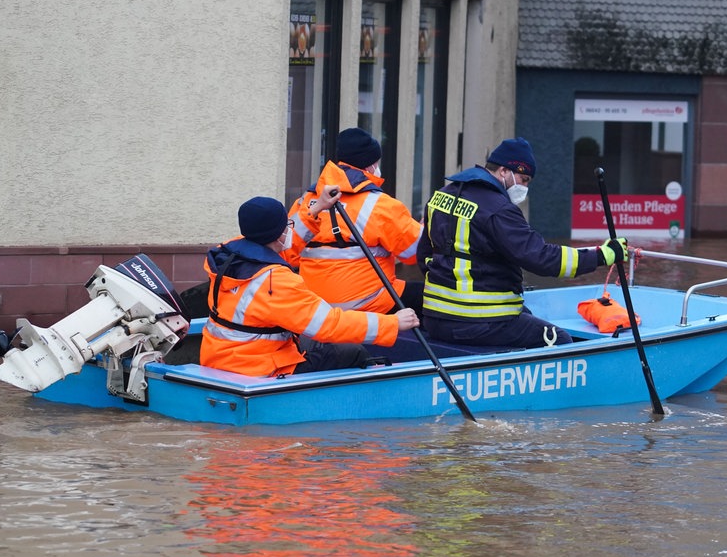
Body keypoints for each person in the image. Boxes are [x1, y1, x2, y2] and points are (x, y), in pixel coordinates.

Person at [417, 137, 627, 349]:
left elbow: (425, 255)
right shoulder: (499, 209)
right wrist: (603, 255)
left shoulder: (440, 197)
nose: (525, 187)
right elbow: (542, 258)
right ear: (503, 171)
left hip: (436, 319)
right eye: (524, 179)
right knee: (559, 340)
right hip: (480, 321)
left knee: (525, 315)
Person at [200, 195, 419, 377]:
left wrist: (315, 210)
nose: (289, 230)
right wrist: (392, 324)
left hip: (219, 357)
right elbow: (329, 325)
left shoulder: (228, 255)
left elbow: (287, 243)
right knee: (351, 352)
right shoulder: (277, 281)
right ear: (276, 235)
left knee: (310, 342)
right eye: (286, 225)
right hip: (259, 366)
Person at [288, 127, 425, 317]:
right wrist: (425, 228)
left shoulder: (306, 200)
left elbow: (288, 252)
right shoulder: (380, 205)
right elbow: (413, 253)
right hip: (368, 302)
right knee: (430, 297)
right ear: (369, 166)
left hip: (314, 304)